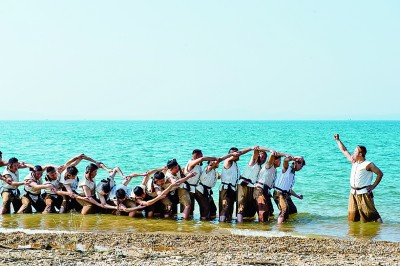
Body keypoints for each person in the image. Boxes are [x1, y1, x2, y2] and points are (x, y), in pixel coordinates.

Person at [334, 134, 383, 223]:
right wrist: (338, 140)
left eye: (355, 151)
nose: (353, 153)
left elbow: (380, 174)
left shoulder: (368, 164)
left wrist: (373, 186)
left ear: (360, 154)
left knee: (373, 217)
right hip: (353, 193)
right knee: (353, 219)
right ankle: (355, 235)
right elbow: (344, 150)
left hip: (364, 194)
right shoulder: (354, 162)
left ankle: (382, 232)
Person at [194, 153, 235, 220]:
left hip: (207, 192)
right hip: (200, 191)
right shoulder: (208, 168)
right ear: (209, 163)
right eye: (212, 161)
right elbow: (219, 160)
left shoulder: (215, 172)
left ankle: (209, 221)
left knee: (213, 209)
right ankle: (203, 223)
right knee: (206, 208)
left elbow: (220, 176)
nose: (215, 162)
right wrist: (230, 155)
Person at [254, 148, 289, 222]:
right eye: (279, 160)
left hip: (266, 191)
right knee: (263, 210)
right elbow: (272, 154)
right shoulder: (269, 165)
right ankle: (262, 228)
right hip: (259, 189)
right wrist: (284, 155)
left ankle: (266, 228)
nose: (280, 162)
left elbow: (272, 185)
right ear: (275, 160)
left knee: (270, 211)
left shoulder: (275, 171)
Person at [218, 147, 252, 222]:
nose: (237, 155)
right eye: (234, 153)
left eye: (237, 153)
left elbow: (238, 177)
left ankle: (227, 224)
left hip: (233, 189)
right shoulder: (228, 161)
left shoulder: (236, 165)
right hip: (226, 188)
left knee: (230, 208)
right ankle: (221, 224)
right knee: (225, 207)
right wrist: (251, 148)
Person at [184, 149, 220, 215]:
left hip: (195, 189)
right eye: (201, 155)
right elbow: (202, 159)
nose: (202, 157)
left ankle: (195, 222)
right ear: (196, 155)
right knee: (190, 209)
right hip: (188, 189)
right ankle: (186, 223)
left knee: (203, 207)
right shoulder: (191, 162)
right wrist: (216, 158)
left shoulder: (199, 166)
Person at [236, 146, 266, 222]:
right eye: (262, 157)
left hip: (251, 186)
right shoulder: (254, 161)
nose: (263, 159)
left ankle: (246, 223)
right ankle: (239, 224)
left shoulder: (260, 167)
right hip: (243, 184)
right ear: (258, 156)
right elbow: (255, 152)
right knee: (241, 205)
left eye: (265, 158)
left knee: (249, 206)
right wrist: (269, 150)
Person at [273, 155, 305, 224]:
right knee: (284, 209)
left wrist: (298, 196)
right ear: (295, 162)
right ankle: (279, 227)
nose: (301, 167)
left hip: (285, 194)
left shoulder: (293, 174)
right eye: (300, 164)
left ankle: (287, 223)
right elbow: (285, 160)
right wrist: (295, 157)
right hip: (278, 193)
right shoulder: (287, 169)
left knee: (293, 210)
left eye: (302, 166)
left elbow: (289, 189)